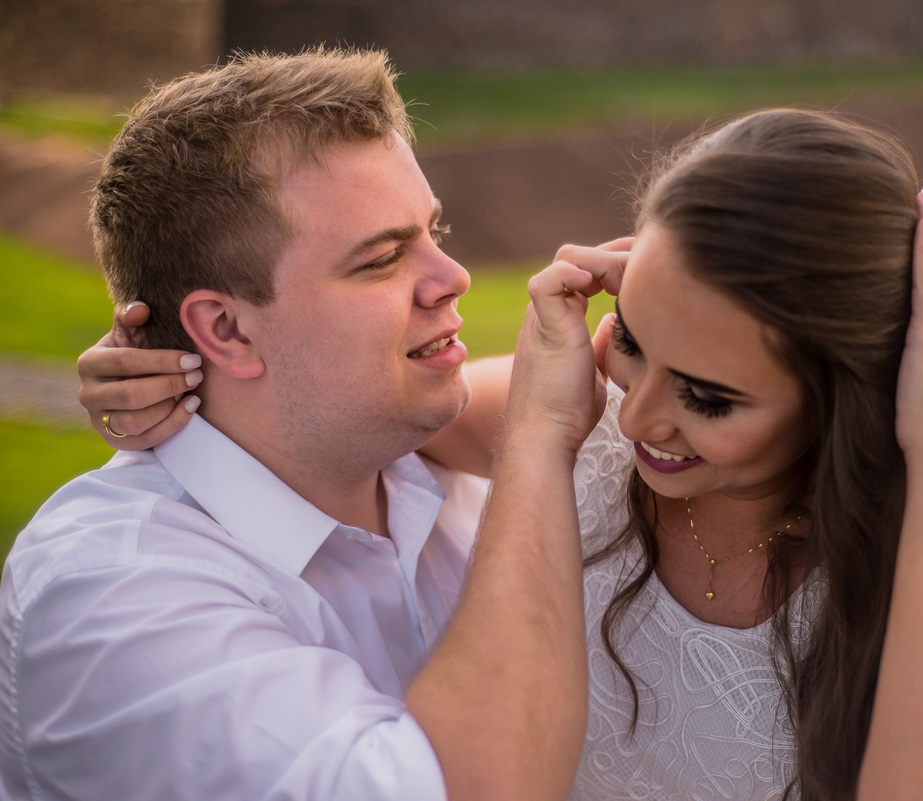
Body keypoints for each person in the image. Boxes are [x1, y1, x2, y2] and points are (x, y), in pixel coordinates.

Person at [78, 105, 923, 799]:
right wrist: (164, 365)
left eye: (711, 398)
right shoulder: (580, 412)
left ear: (840, 400)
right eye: (632, 336)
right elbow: (321, 400)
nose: (638, 421)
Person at [0, 48, 620, 801]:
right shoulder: (109, 594)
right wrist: (535, 440)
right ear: (225, 329)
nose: (452, 276)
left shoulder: (427, 452)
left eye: (436, 229)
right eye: (382, 259)